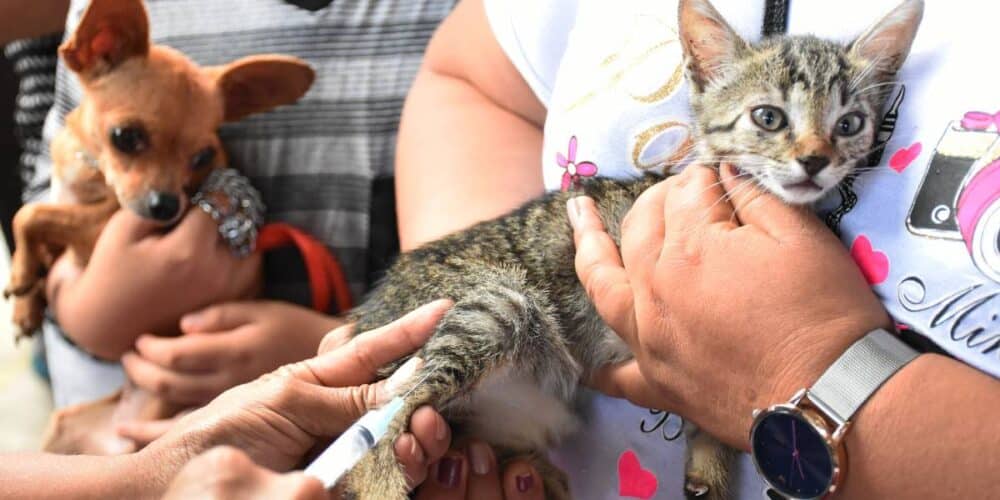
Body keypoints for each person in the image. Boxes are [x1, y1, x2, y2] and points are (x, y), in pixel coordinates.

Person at [395, 0, 1000, 497]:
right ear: (706, 77)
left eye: (845, 125)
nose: (815, 151)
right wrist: (474, 368)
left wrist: (812, 370)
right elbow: (475, 83)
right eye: (771, 118)